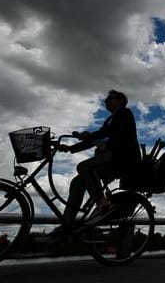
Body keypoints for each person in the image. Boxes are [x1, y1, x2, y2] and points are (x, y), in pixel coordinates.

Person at [58, 89, 141, 230]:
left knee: (83, 167)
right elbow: (97, 137)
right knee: (78, 181)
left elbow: (116, 137)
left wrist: (93, 138)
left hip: (123, 158)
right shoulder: (110, 119)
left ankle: (102, 203)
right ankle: (67, 225)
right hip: (113, 158)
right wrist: (70, 148)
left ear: (120, 101)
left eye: (110, 98)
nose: (106, 100)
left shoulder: (125, 114)